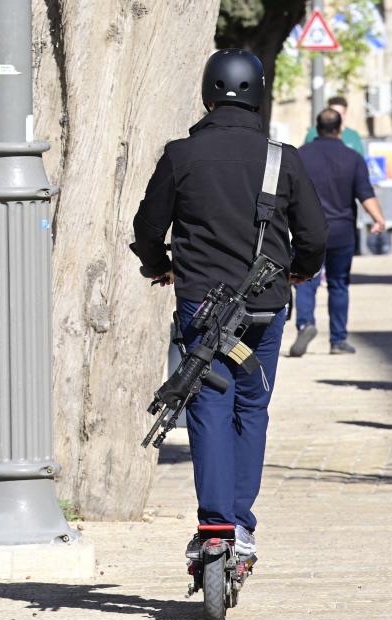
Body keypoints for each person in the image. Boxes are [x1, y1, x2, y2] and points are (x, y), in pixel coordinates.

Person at [130, 49, 327, 558]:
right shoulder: (283, 158)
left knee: (208, 405)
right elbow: (314, 234)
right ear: (258, 92)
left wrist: (160, 267)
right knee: (252, 405)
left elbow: (147, 228)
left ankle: (215, 523)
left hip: (200, 306)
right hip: (263, 307)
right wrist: (299, 269)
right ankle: (240, 523)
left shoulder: (180, 155)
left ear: (207, 93)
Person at [289, 108, 385, 357]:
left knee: (304, 281)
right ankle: (338, 340)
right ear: (340, 128)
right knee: (339, 284)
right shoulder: (352, 157)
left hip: (308, 230)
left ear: (316, 128)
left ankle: (305, 324)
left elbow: (289, 193)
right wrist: (378, 218)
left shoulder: (301, 155)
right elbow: (365, 193)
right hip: (342, 231)